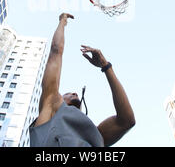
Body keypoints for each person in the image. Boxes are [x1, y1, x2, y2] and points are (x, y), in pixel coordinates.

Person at [29, 13, 135, 147]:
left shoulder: (96, 134)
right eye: (67, 93)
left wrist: (106, 66)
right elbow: (56, 51)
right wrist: (62, 22)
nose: (74, 93)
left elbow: (127, 121)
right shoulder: (51, 104)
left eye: (74, 93)